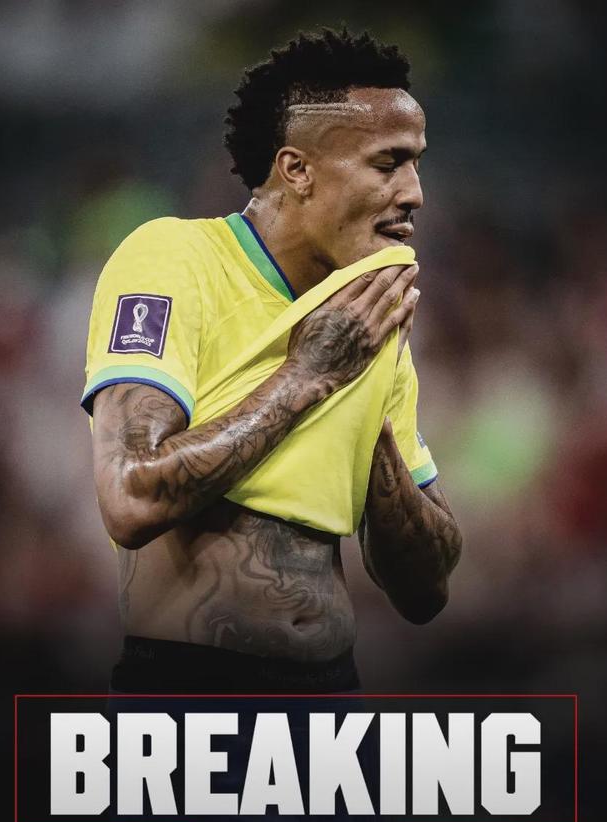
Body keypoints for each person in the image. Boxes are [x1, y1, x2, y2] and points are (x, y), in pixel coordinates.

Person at [82, 28, 462, 698]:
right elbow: (131, 497)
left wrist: (364, 406)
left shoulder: (365, 316)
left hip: (333, 702)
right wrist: (310, 374)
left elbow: (426, 589)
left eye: (416, 164)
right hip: (189, 703)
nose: (414, 193)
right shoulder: (175, 258)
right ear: (297, 169)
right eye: (388, 164)